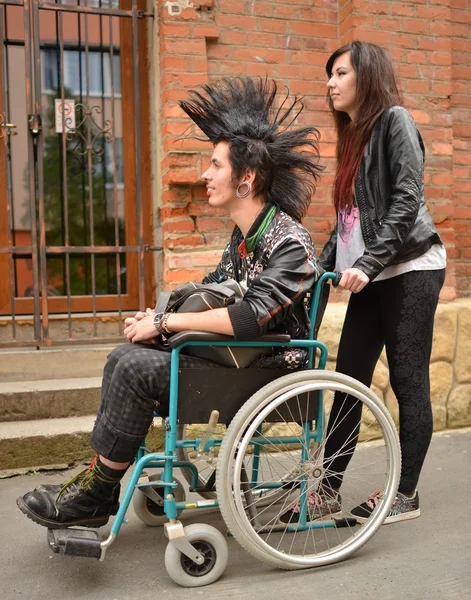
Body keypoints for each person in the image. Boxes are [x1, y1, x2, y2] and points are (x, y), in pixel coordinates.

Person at [17, 77, 323, 529]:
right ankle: (97, 484)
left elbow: (249, 316)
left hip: (269, 369)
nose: (205, 174)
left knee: (137, 367)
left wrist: (165, 324)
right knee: (125, 355)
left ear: (247, 177)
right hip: (232, 360)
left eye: (215, 165)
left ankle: (97, 493)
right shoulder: (243, 239)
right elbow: (211, 291)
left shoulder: (290, 242)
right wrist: (159, 317)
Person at [281, 41, 446, 526]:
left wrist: (369, 263)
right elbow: (348, 220)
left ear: (366, 76)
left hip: (411, 269)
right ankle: (329, 489)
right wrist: (314, 268)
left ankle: (406, 494)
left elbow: (406, 201)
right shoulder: (353, 136)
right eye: (329, 74)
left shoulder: (395, 120)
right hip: (370, 276)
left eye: (340, 73)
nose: (330, 83)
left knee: (408, 382)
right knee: (348, 380)